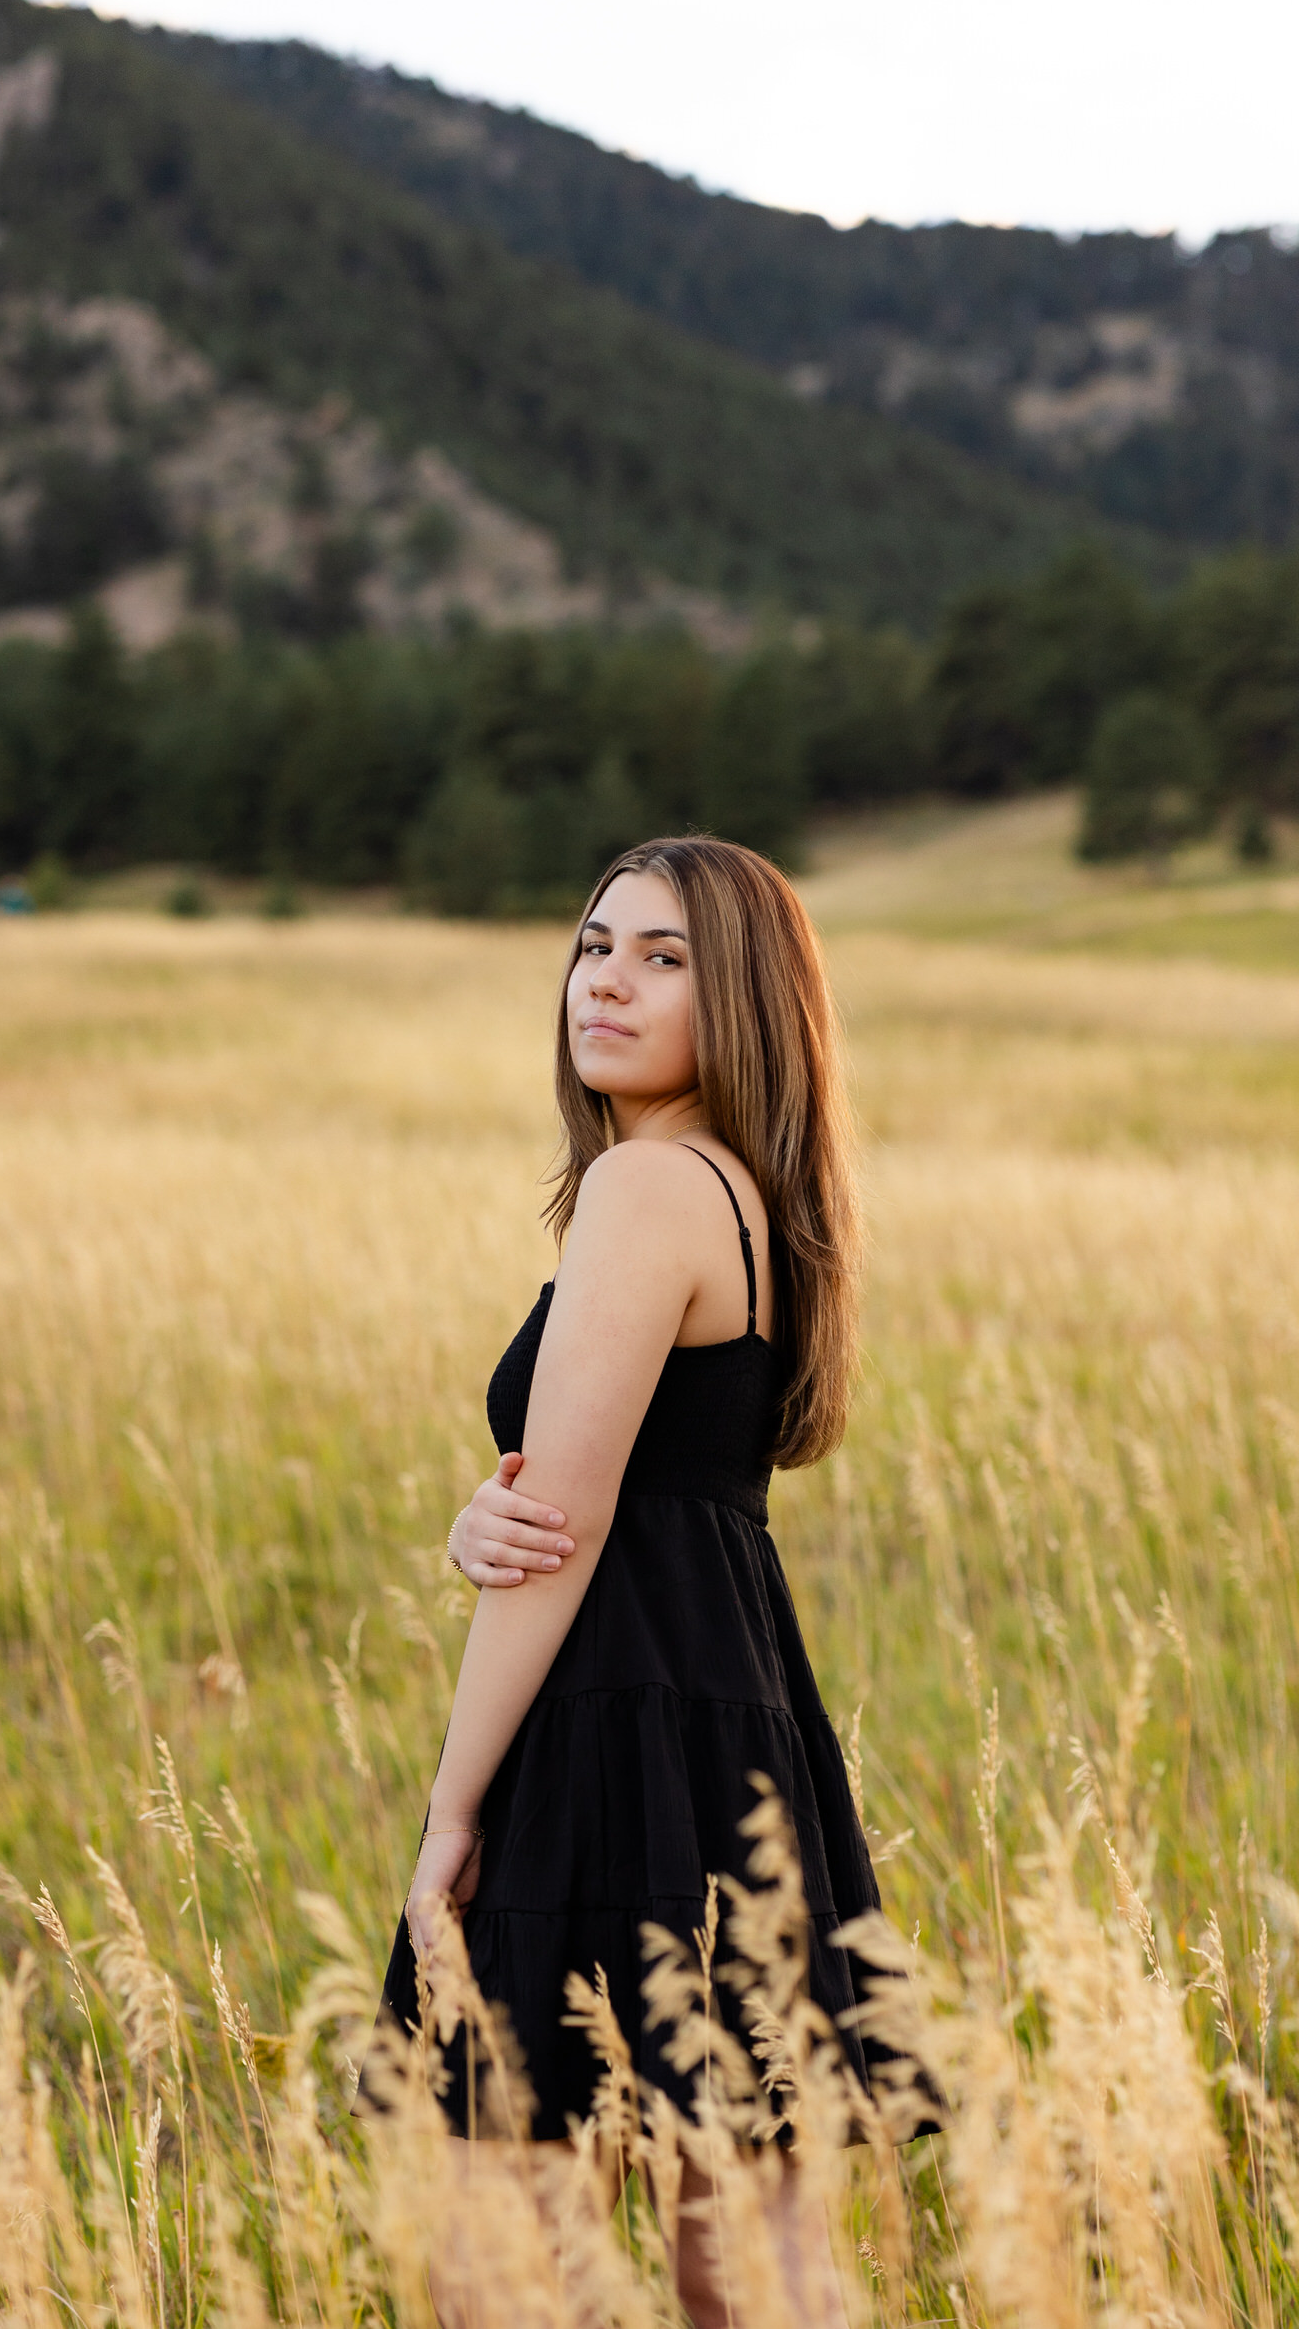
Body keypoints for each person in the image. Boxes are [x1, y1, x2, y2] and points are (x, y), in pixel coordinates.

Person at [381, 836, 883, 2326]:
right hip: (736, 1723)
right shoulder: (748, 1195)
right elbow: (630, 1484)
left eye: (663, 958)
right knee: (744, 2246)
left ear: (742, 1001)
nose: (606, 980)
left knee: (510, 2256)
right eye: (595, 944)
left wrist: (455, 1808)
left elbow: (571, 1528)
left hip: (611, 1724)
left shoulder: (650, 1187)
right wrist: (493, 1506)